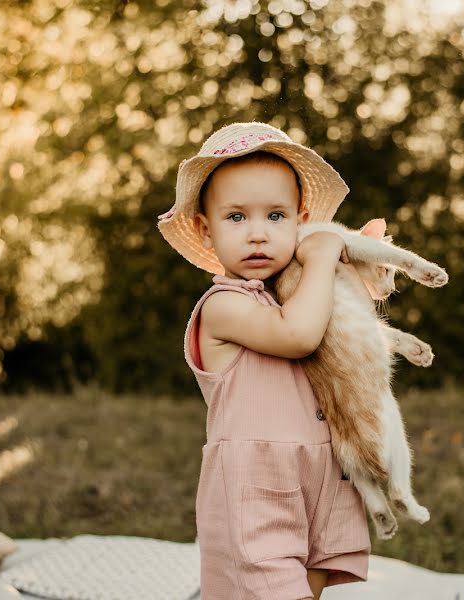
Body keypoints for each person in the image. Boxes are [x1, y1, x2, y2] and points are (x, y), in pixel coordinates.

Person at [158, 122, 371, 599]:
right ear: (204, 229)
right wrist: (320, 257)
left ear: (300, 219)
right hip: (258, 483)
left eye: (275, 216)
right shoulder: (223, 308)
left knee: (311, 584)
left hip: (323, 472)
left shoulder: (298, 295)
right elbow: (296, 336)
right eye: (236, 218)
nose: (257, 234)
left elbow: (352, 340)